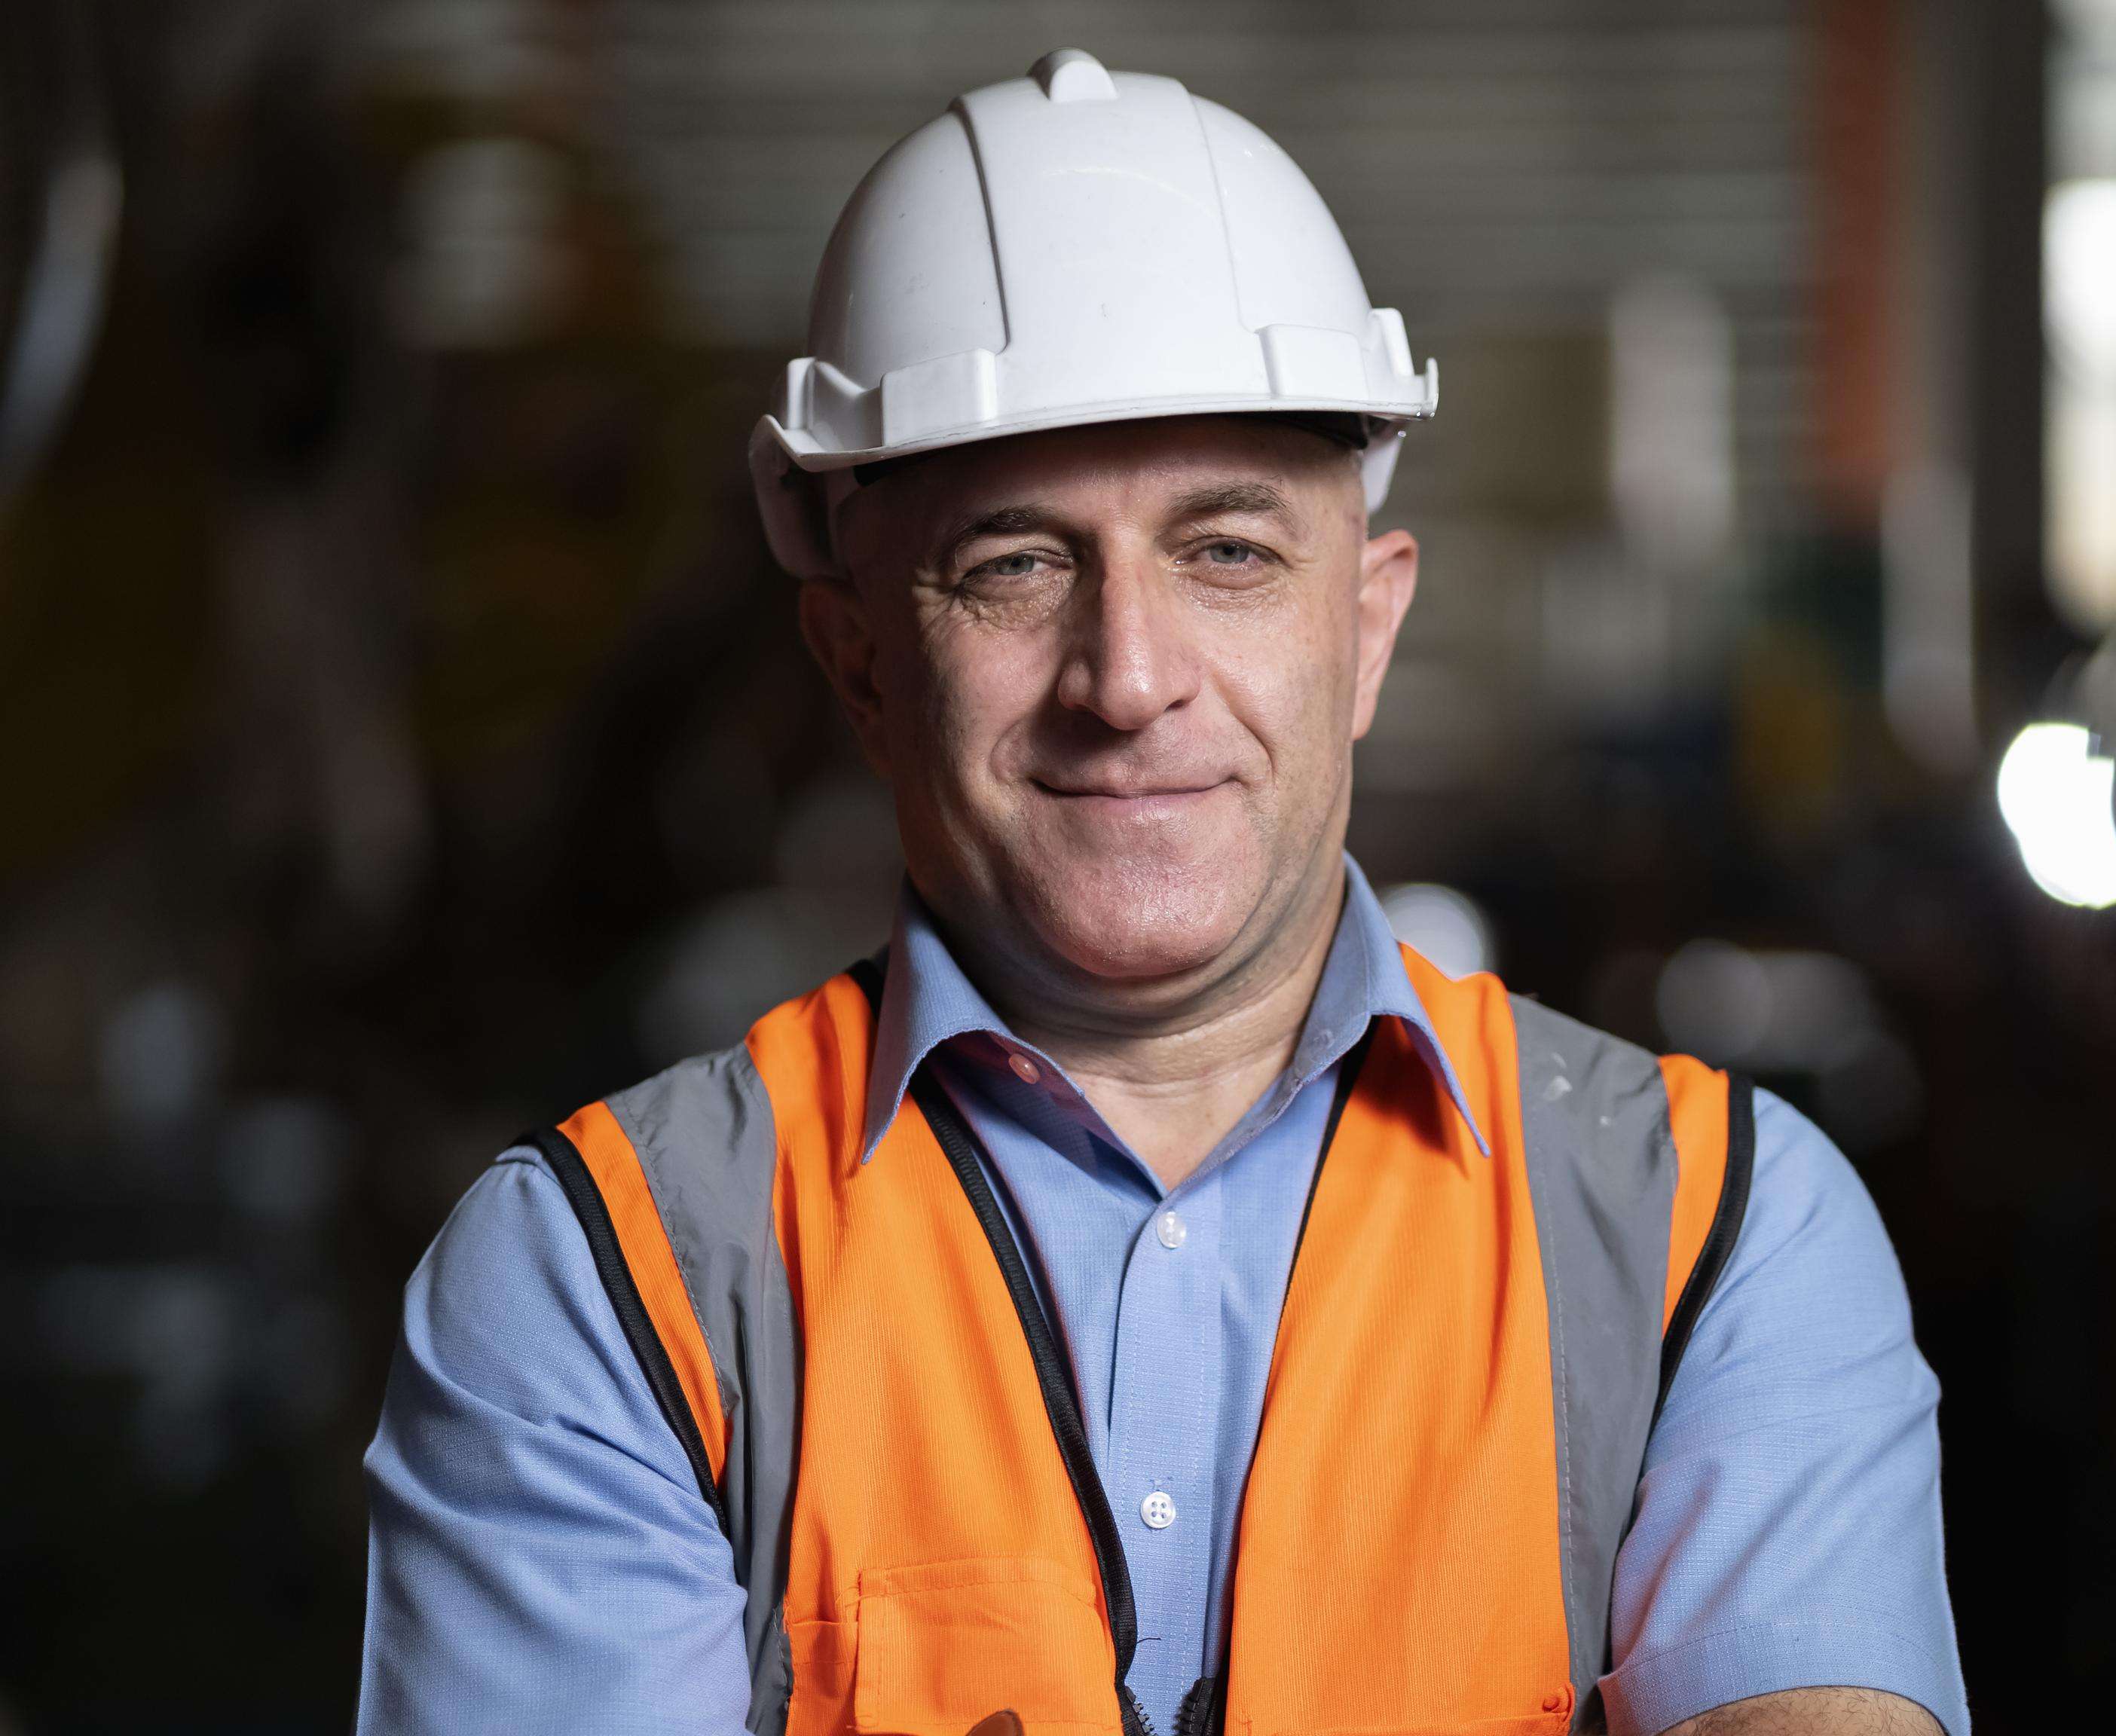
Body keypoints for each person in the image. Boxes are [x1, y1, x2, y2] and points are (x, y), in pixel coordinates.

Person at [356, 50, 1965, 1736]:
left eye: (1230, 554)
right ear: (857, 663)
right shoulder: (604, 1286)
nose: (1126, 678)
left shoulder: (1718, 1236)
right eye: (1016, 565)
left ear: (1368, 625)